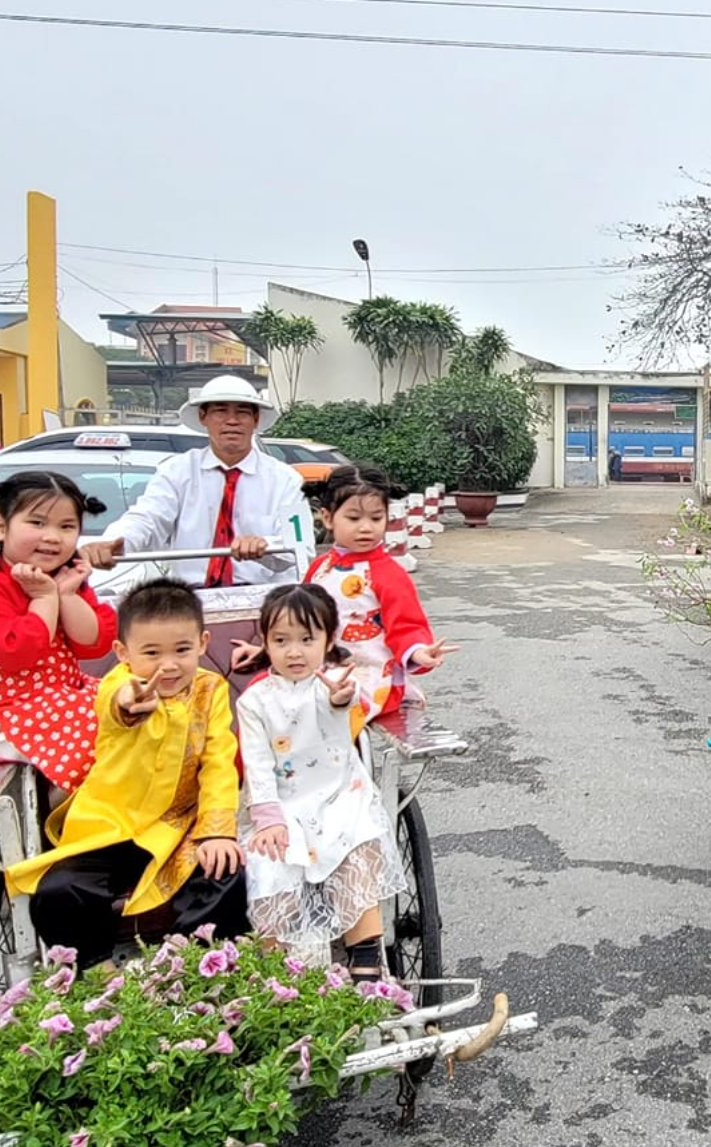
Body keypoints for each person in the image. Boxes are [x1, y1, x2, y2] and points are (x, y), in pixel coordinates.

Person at [5, 579, 248, 970]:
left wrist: (217, 831)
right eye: (151, 653)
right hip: (110, 824)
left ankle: (199, 969)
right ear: (123, 653)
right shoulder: (120, 685)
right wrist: (131, 703)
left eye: (182, 650)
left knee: (225, 874)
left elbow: (219, 760)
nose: (168, 665)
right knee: (58, 890)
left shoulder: (211, 689)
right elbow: (118, 707)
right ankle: (97, 972)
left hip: (179, 827)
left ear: (202, 643)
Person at [237, 584, 406, 977]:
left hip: (341, 795)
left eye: (306, 639)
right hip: (282, 803)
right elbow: (258, 763)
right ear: (265, 642)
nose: (294, 651)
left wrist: (341, 697)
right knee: (270, 862)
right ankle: (275, 969)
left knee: (358, 846)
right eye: (281, 640)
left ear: (329, 640)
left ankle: (366, 961)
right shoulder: (254, 701)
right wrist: (269, 818)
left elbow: (340, 704)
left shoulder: (332, 683)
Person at [0, 473, 116, 792]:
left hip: (59, 699)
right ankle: (72, 826)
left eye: (66, 527)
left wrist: (65, 595)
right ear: (1, 527)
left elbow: (94, 643)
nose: (52, 537)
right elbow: (19, 654)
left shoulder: (62, 577)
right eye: (37, 523)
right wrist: (44, 599)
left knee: (137, 709)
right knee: (108, 736)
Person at [82, 375, 312, 587]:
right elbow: (147, 518)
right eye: (220, 411)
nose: (232, 421)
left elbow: (302, 546)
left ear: (255, 419)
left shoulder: (287, 480)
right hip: (189, 600)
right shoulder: (176, 471)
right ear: (203, 417)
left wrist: (265, 546)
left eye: (242, 412)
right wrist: (114, 542)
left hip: (262, 601)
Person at [301, 465, 457, 728]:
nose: (366, 528)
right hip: (317, 669)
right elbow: (298, 619)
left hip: (369, 676)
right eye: (353, 518)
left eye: (375, 518)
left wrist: (418, 652)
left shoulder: (388, 573)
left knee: (317, 710)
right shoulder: (319, 568)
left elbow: (406, 625)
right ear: (327, 518)